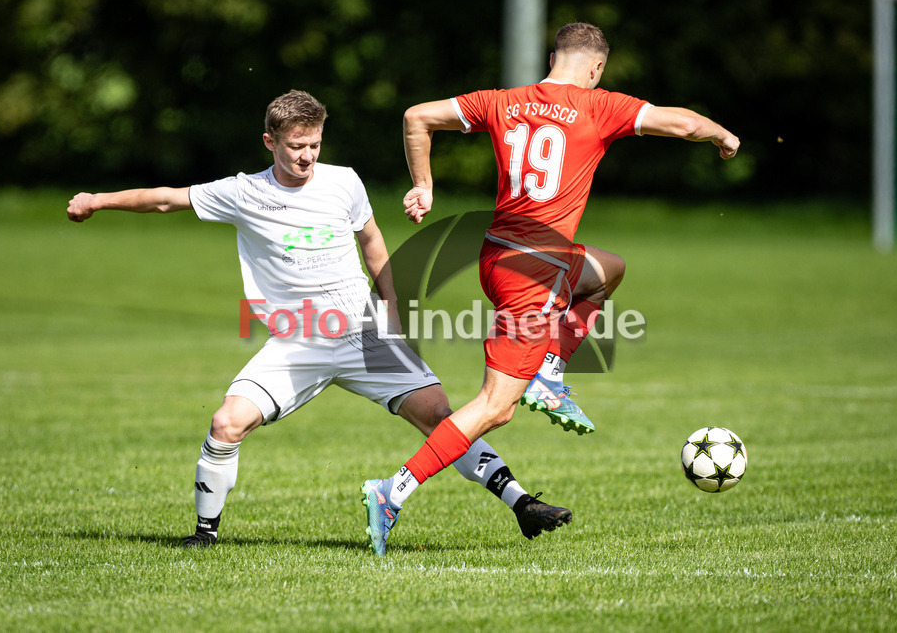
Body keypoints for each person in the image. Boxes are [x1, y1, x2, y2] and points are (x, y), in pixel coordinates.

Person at [66, 89, 573, 548]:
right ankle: (204, 535)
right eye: (296, 146)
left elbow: (372, 243)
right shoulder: (244, 192)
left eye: (314, 144)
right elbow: (163, 201)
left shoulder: (343, 182)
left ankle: (523, 505)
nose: (307, 156)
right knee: (226, 423)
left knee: (441, 416)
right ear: (270, 141)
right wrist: (96, 201)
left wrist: (391, 305)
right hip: (297, 343)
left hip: (362, 333)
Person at [361, 23, 740, 554]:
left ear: (554, 57)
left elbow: (416, 116)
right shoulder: (599, 106)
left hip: (501, 255)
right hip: (534, 275)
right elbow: (679, 123)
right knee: (495, 406)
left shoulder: (506, 101)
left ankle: (549, 372)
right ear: (596, 67)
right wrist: (724, 136)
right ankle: (392, 490)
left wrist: (423, 185)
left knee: (608, 269)